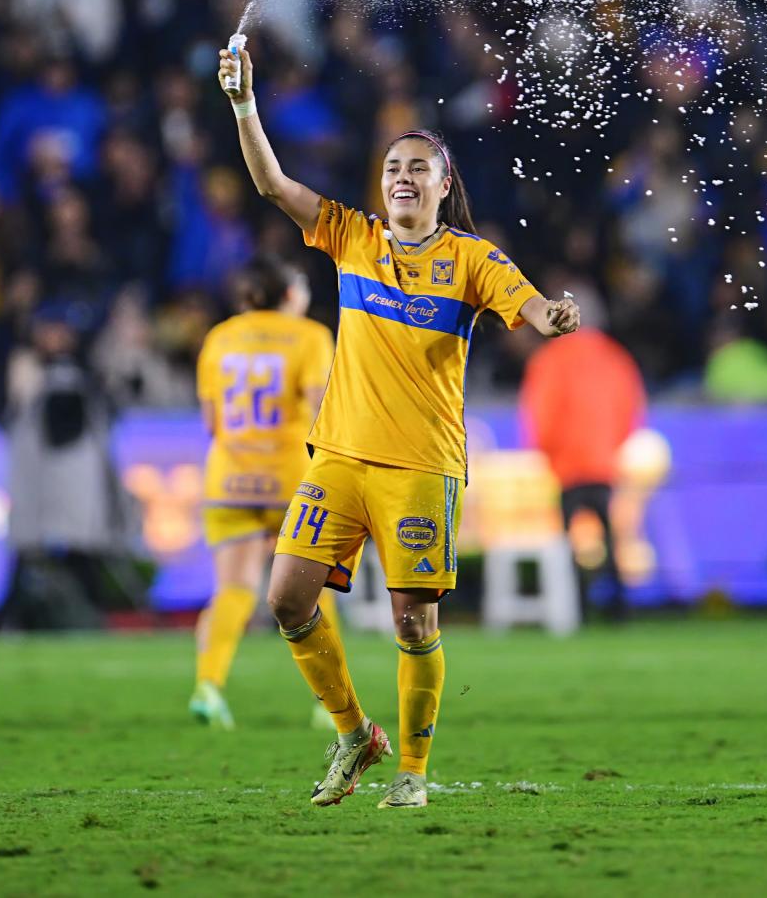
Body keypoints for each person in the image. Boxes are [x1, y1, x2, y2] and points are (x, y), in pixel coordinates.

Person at [219, 42, 580, 809]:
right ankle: (355, 732)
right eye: (392, 168)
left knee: (413, 623)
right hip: (338, 456)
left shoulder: (473, 259)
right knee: (286, 598)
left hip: (420, 464)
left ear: (445, 185)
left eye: (418, 168)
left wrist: (553, 314)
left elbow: (532, 306)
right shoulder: (353, 237)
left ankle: (412, 773)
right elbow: (272, 183)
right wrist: (245, 103)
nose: (402, 177)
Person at [190, 256, 336, 730]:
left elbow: (211, 422)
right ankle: (328, 702)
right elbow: (320, 409)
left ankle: (208, 686)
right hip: (293, 480)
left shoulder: (220, 337)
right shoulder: (310, 336)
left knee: (233, 590)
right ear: (292, 294)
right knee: (316, 591)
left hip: (229, 480)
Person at [519, 286, 644, 621]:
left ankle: (575, 606)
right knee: (610, 537)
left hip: (567, 466)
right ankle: (618, 606)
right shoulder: (615, 357)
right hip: (603, 463)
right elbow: (631, 409)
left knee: (566, 541)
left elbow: (541, 413)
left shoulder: (549, 359)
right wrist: (611, 447)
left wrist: (549, 453)